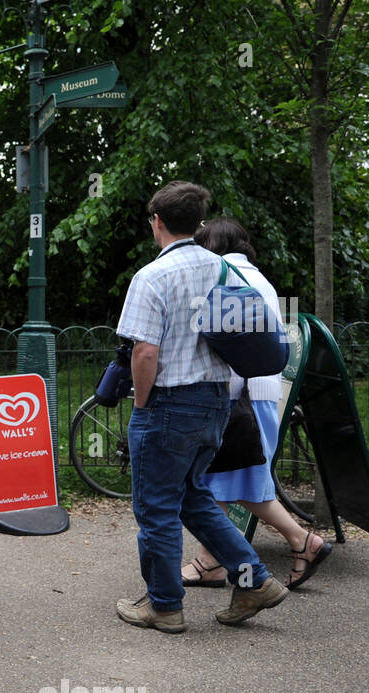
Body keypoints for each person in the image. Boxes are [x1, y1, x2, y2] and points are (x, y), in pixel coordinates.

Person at [115, 181, 287, 633]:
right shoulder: (224, 271)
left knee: (155, 508)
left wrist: (142, 402)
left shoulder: (151, 277)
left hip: (169, 404)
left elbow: (144, 353)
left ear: (157, 222)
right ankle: (255, 581)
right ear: (199, 223)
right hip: (216, 402)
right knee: (193, 498)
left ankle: (165, 605)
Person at [180, 217, 333, 590]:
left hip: (240, 396)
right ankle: (213, 560)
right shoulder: (256, 277)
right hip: (259, 392)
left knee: (236, 480)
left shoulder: (225, 275)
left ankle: (300, 541)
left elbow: (215, 341)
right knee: (223, 479)